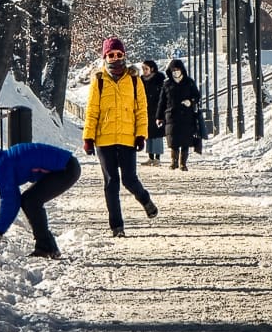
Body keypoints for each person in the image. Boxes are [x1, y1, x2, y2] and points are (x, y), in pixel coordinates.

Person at [82, 37, 159, 237]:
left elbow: (141, 110)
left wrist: (141, 134)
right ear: (105, 57)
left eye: (118, 55)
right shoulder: (98, 81)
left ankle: (145, 200)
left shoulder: (134, 80)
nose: (115, 59)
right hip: (104, 139)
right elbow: (92, 111)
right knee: (111, 182)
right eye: (111, 55)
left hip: (127, 138)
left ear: (124, 56)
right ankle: (117, 226)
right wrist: (88, 138)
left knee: (130, 179)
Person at [0, 142, 81, 259]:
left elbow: (10, 200)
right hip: (66, 165)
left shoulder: (1, 166)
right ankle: (47, 246)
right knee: (30, 199)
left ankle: (46, 247)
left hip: (66, 168)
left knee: (31, 201)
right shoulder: (1, 162)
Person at [154, 59, 201, 171]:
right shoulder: (167, 84)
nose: (175, 72)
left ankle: (183, 163)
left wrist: (191, 102)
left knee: (185, 141)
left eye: (177, 69)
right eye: (173, 70)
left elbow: (197, 96)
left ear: (182, 70)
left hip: (186, 116)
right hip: (171, 116)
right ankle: (173, 162)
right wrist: (159, 117)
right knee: (173, 140)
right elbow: (162, 101)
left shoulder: (189, 82)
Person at [140, 60, 166, 166]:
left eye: (146, 69)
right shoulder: (142, 80)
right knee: (148, 134)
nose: (144, 71)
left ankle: (157, 158)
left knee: (157, 135)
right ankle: (150, 157)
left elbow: (163, 95)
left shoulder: (159, 79)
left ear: (152, 68)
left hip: (157, 110)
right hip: (146, 110)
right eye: (143, 69)